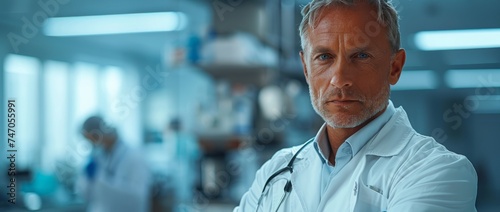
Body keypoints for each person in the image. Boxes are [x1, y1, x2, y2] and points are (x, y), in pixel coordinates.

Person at [234, 0, 478, 211]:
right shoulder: (275, 170)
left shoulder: (438, 172)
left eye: (361, 56)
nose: (339, 79)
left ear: (394, 67)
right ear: (306, 69)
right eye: (324, 57)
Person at [76, 116, 151, 212]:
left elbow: (138, 198)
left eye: (93, 139)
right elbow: (87, 194)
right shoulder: (99, 157)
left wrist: (100, 180)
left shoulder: (135, 157)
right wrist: (87, 179)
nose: (92, 144)